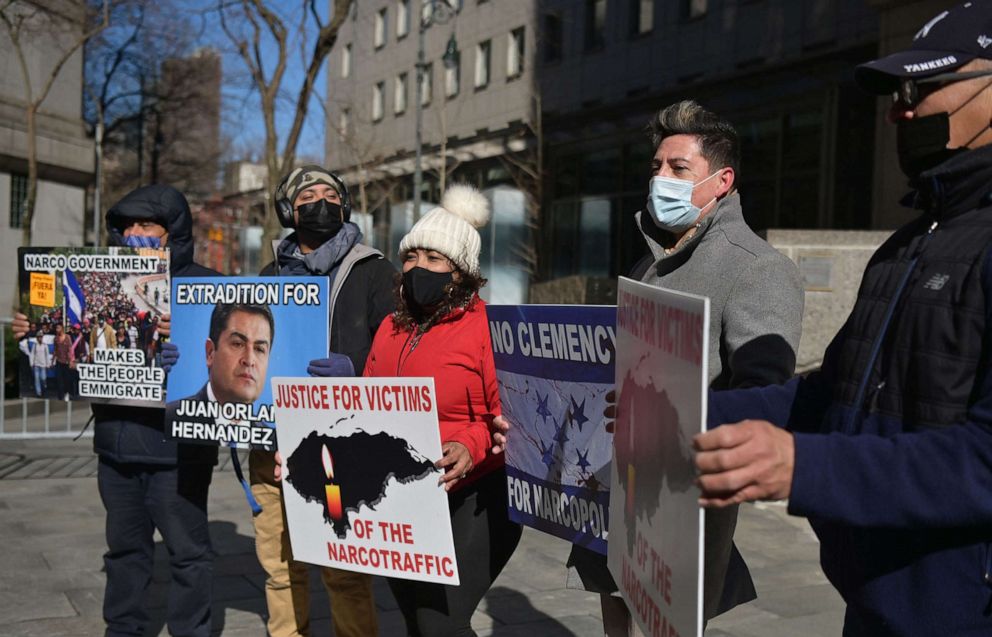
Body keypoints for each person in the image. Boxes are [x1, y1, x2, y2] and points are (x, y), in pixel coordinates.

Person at [693, 3, 992, 635]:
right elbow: (829, 396)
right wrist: (679, 410)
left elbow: (983, 462)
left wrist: (805, 468)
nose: (898, 112)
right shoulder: (906, 248)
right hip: (872, 605)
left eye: (922, 88)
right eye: (896, 94)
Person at [544, 100, 804, 635]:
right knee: (611, 593)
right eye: (657, 167)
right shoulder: (649, 258)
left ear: (721, 181)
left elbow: (764, 395)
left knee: (671, 619)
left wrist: (674, 416)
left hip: (686, 494)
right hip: (620, 478)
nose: (661, 178)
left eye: (679, 169)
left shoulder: (758, 269)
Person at [14, 184, 221, 637]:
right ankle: (123, 630)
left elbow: (223, 365)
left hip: (177, 451)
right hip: (116, 445)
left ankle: (194, 630)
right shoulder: (107, 282)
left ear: (173, 232)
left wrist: (183, 334)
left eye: (146, 224)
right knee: (124, 553)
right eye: (126, 225)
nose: (134, 232)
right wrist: (34, 332)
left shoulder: (207, 285)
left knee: (187, 553)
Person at [363, 183, 523, 636]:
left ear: (462, 272)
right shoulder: (391, 328)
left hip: (477, 493)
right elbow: (369, 407)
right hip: (404, 494)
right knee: (417, 621)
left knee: (440, 623)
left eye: (435, 260)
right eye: (411, 257)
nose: (419, 268)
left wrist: (470, 444)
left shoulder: (489, 330)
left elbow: (509, 419)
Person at [249, 165, 395, 637]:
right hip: (272, 441)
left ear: (346, 205)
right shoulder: (267, 275)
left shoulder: (374, 270)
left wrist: (355, 366)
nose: (321, 200)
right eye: (308, 194)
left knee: (345, 572)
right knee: (279, 565)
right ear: (288, 209)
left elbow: (398, 347)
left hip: (342, 442)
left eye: (331, 193)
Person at [165, 303, 274, 437]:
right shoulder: (169, 421)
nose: (249, 360)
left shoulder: (276, 443)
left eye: (259, 349)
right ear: (210, 352)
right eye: (238, 344)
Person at [20, 331, 53, 397]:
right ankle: (39, 393)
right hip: (36, 365)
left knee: (43, 378)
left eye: (41, 337)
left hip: (43, 365)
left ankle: (43, 389)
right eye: (39, 337)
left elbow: (47, 355)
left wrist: (48, 364)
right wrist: (31, 363)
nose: (40, 338)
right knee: (37, 379)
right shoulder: (35, 346)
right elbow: (32, 355)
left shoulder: (45, 346)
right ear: (37, 338)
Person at [53, 323, 73, 400]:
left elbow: (70, 350)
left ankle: (66, 393)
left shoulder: (68, 337)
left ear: (62, 328)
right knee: (59, 380)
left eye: (58, 328)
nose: (56, 329)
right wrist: (52, 362)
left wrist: (71, 361)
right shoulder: (55, 338)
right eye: (56, 328)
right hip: (59, 362)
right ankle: (60, 396)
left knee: (66, 380)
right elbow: (55, 350)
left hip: (66, 362)